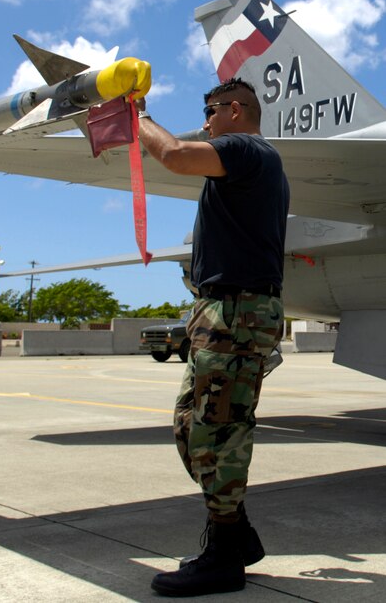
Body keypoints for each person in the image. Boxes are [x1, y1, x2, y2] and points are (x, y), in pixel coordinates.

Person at [135, 77, 289, 597]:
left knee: (219, 432)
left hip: (237, 312)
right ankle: (236, 533)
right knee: (191, 427)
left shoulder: (245, 148)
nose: (205, 122)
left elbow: (175, 156)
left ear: (237, 110)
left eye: (210, 111)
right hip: (220, 311)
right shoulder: (247, 161)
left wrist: (136, 117)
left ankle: (224, 557)